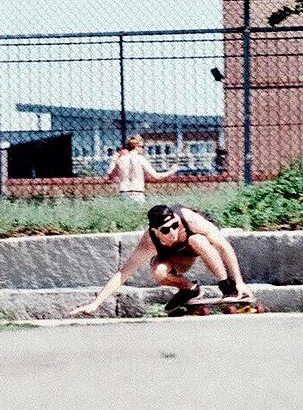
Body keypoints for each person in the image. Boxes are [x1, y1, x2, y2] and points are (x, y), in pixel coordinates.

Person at [69, 204, 253, 316]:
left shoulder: (190, 220)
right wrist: (96, 304)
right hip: (178, 260)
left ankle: (226, 286)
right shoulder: (149, 240)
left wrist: (239, 282)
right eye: (166, 230)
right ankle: (190, 290)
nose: (172, 232)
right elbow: (123, 273)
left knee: (197, 239)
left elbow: (223, 246)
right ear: (156, 231)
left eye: (174, 225)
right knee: (158, 272)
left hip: (198, 248)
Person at [106, 135, 178, 202]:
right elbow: (156, 176)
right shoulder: (140, 158)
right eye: (142, 146)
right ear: (137, 146)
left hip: (124, 192)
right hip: (137, 193)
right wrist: (171, 171)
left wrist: (114, 159)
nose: (143, 149)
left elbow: (110, 175)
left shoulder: (120, 159)